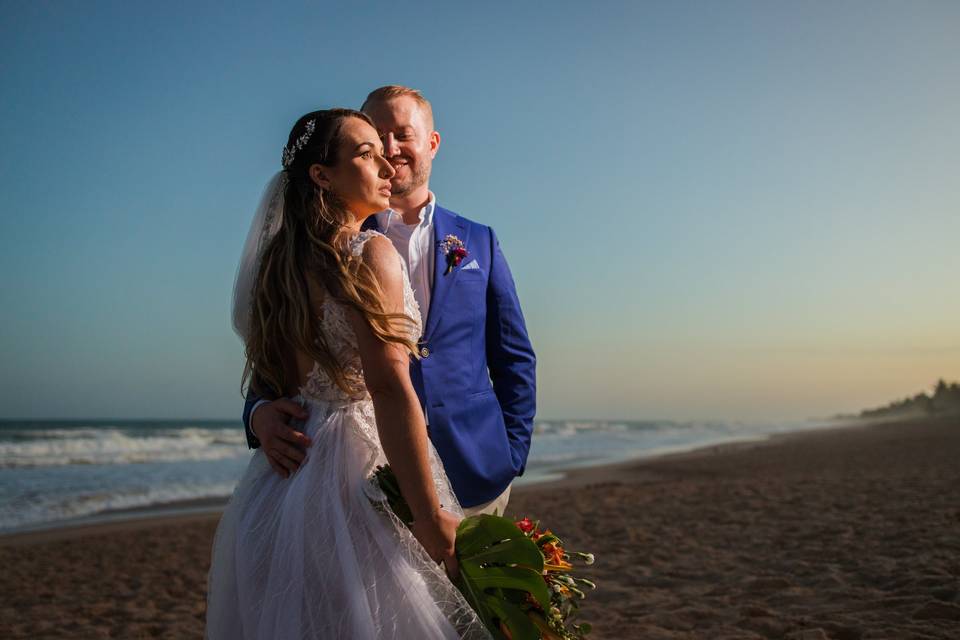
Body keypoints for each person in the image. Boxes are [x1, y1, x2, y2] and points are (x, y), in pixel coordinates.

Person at [209, 109, 489, 639]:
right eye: (366, 153)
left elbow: (273, 375)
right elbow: (386, 385)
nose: (387, 165)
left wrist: (264, 413)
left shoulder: (276, 269)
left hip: (281, 483)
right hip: (354, 472)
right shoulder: (367, 252)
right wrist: (427, 518)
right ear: (321, 175)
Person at [242, 86, 536, 516]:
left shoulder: (479, 241)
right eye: (377, 140)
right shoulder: (323, 244)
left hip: (478, 469)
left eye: (403, 135)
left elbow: (513, 356)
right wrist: (259, 413)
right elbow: (281, 342)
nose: (390, 150)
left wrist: (512, 453)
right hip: (366, 477)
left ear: (432, 144)